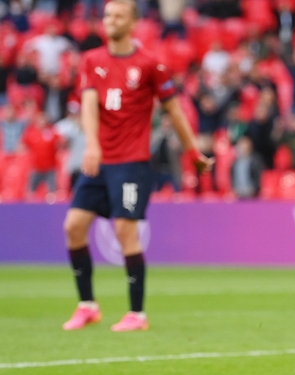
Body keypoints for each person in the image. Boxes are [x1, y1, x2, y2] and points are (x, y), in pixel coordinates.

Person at [62, 0, 213, 332]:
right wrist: (91, 144)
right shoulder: (91, 60)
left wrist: (193, 152)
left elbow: (173, 111)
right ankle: (87, 305)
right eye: (107, 15)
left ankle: (136, 314)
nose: (110, 20)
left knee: (124, 231)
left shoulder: (150, 65)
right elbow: (88, 105)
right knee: (73, 227)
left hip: (132, 162)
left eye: (118, 16)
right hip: (100, 159)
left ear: (132, 23)